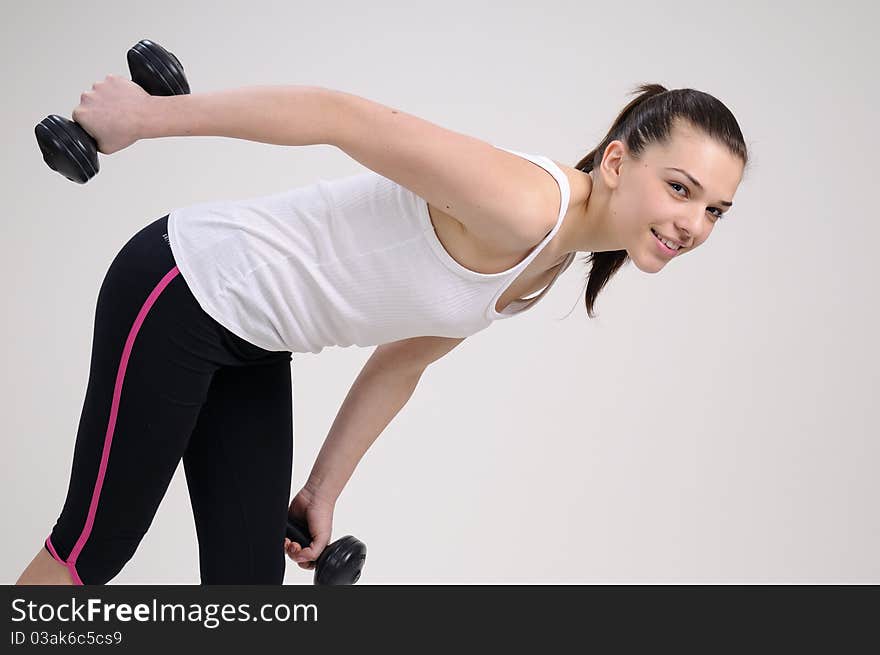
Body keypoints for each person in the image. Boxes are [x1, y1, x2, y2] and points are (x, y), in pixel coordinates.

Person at [16, 79, 747, 584]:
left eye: (715, 209)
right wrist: (143, 116)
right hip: (185, 284)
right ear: (617, 162)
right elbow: (341, 116)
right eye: (680, 188)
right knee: (95, 544)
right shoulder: (527, 205)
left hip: (252, 338)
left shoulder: (544, 261)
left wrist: (324, 488)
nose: (693, 222)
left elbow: (402, 362)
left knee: (245, 586)